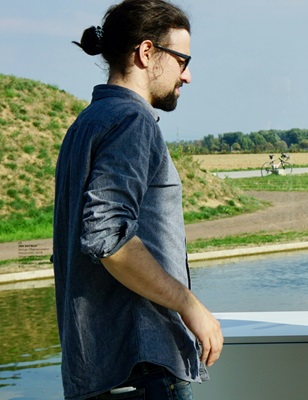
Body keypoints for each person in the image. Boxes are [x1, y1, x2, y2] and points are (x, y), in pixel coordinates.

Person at [52, 1, 223, 399]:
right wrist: (190, 306)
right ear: (147, 53)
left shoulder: (86, 123)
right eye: (182, 61)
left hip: (99, 371)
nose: (187, 75)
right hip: (143, 372)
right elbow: (107, 237)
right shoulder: (132, 121)